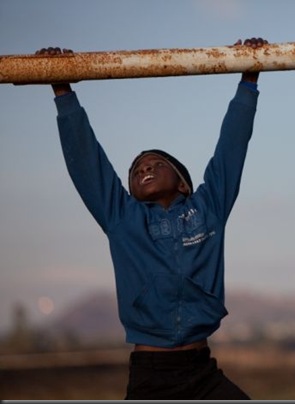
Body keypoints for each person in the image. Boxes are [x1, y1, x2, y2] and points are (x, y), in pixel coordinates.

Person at [36, 36, 268, 400]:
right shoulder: (121, 218)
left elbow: (232, 148)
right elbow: (87, 163)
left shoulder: (209, 207)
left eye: (157, 164)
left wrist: (249, 77)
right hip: (150, 378)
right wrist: (62, 89)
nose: (145, 167)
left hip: (203, 372)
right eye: (137, 169)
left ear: (183, 184)